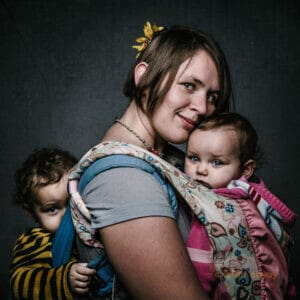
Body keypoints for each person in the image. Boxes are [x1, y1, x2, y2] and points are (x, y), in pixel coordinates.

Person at [66, 21, 294, 299]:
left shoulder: (166, 159)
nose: (203, 108)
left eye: (212, 96)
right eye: (188, 85)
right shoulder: (124, 180)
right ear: (144, 76)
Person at [184, 112, 296, 298]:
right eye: (194, 158)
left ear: (245, 169)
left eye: (217, 162)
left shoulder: (213, 209)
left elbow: (200, 270)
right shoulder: (257, 201)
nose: (201, 170)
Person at [10, 147, 96, 300]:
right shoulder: (35, 239)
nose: (67, 214)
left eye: (71, 202)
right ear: (32, 213)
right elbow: (19, 283)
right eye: (52, 209)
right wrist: (64, 280)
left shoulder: (89, 231)